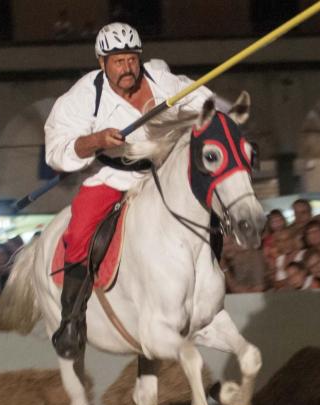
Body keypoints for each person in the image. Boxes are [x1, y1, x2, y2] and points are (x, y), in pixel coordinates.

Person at [44, 22, 213, 359]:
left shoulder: (161, 79)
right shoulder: (81, 97)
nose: (127, 68)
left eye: (132, 59)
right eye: (118, 61)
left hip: (160, 172)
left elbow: (204, 100)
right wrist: (95, 140)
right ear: (101, 62)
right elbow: (55, 150)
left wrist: (197, 113)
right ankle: (72, 320)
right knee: (78, 234)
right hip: (111, 176)